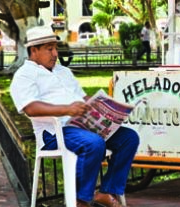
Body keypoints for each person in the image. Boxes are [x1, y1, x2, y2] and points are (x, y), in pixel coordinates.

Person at [10, 26, 139, 207]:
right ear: (34, 50)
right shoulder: (24, 75)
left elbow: (82, 97)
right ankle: (80, 201)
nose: (55, 53)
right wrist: (66, 109)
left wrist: (106, 108)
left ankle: (107, 191)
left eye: (56, 48)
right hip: (54, 132)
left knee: (129, 138)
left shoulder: (63, 71)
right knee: (94, 143)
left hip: (82, 125)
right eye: (49, 49)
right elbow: (30, 108)